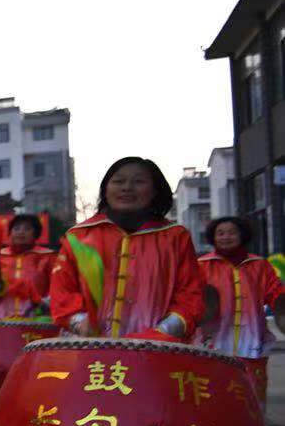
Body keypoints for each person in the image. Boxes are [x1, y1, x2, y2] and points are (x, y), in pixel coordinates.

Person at [51, 156, 204, 340]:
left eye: (138, 181)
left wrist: (162, 333)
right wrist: (80, 322)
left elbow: (190, 296)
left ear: (155, 190)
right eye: (118, 181)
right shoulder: (79, 236)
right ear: (105, 189)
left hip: (156, 353)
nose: (127, 188)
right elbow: (62, 292)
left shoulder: (175, 237)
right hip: (87, 351)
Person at [197, 216, 284, 395]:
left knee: (251, 395)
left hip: (252, 340)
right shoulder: (201, 265)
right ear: (213, 237)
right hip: (212, 343)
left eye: (231, 233)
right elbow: (189, 297)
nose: (225, 237)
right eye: (220, 233)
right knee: (214, 394)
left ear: (242, 235)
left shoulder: (260, 265)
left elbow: (275, 292)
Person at [0, 214, 53, 319]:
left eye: (27, 228)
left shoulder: (48, 257)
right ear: (10, 233)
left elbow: (59, 287)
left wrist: (45, 304)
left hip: (37, 319)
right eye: (16, 228)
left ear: (36, 234)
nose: (21, 232)